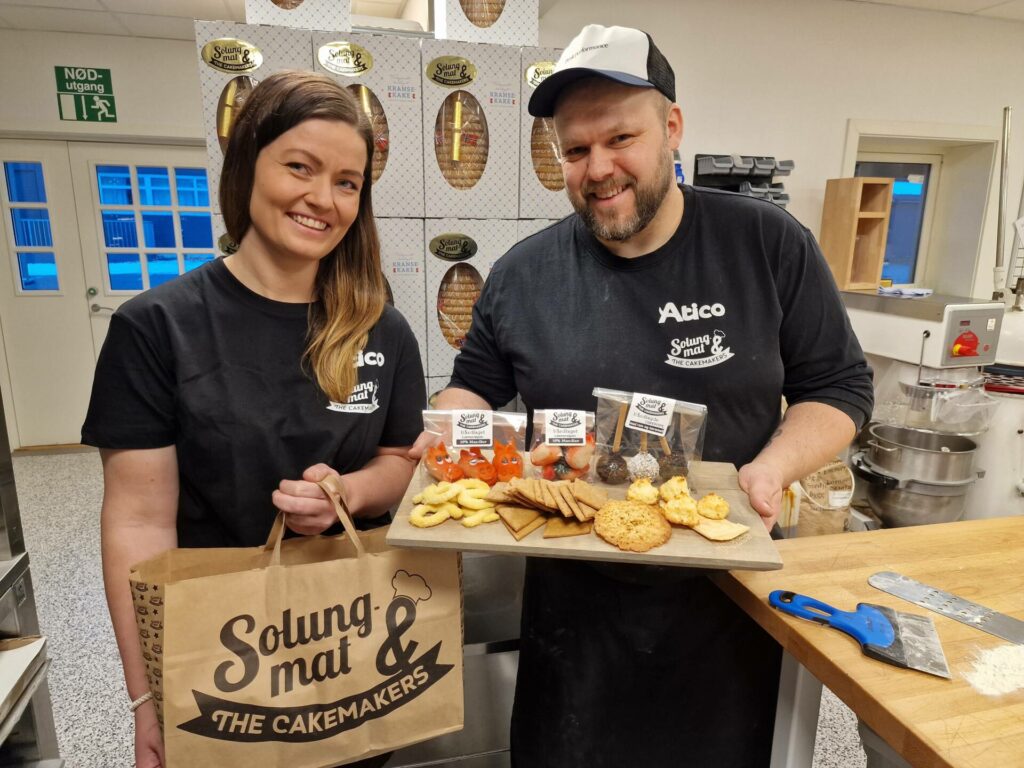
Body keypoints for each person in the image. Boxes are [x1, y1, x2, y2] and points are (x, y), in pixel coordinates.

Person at [420, 24, 874, 768]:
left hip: (726, 604)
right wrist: (452, 431)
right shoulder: (523, 274)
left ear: (672, 128)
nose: (598, 168)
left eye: (620, 139)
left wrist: (770, 470)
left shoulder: (767, 244)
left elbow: (840, 387)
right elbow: (476, 384)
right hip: (574, 607)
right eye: (574, 150)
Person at [82, 71, 425, 768]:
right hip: (220, 658)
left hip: (348, 647)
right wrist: (148, 697)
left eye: (347, 183)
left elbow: (400, 462)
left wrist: (346, 495)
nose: (322, 199)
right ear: (245, 168)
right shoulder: (156, 328)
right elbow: (137, 524)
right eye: (299, 167)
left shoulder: (381, 330)